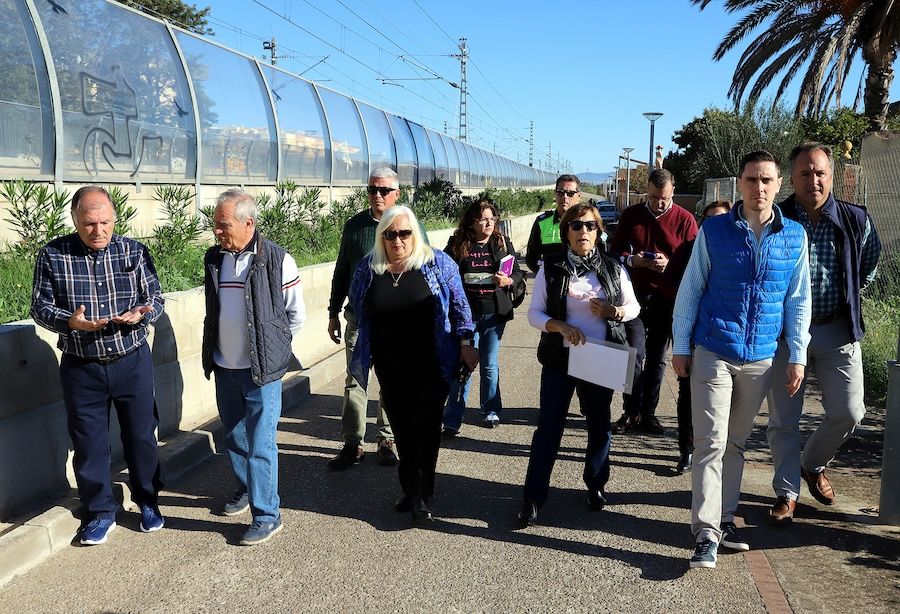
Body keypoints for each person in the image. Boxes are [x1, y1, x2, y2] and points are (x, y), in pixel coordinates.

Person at [672, 151, 811, 569]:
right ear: (739, 183)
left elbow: (797, 300)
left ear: (779, 184)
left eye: (767, 180)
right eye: (751, 180)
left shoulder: (795, 236)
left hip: (762, 358)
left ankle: (725, 518)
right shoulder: (714, 230)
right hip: (714, 348)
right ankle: (706, 533)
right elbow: (691, 289)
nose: (759, 188)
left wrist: (798, 355)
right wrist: (681, 345)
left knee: (735, 442)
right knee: (710, 442)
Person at [31, 185, 165, 545]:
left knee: (141, 436)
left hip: (131, 360)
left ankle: (148, 501)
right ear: (75, 219)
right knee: (89, 444)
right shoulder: (53, 255)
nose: (98, 230)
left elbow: (155, 296)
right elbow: (40, 307)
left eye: (105, 222)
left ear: (114, 217)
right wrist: (68, 322)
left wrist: (142, 313)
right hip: (81, 365)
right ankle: (100, 513)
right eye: (89, 223)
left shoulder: (134, 251)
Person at [766, 143, 882, 525]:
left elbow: (869, 265)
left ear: (831, 175)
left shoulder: (855, 219)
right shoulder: (775, 219)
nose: (813, 180)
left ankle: (812, 464)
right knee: (784, 419)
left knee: (850, 412)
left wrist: (848, 293)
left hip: (837, 329)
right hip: (785, 335)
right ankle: (786, 493)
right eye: (805, 173)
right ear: (792, 177)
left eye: (820, 173)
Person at [348, 206, 476, 523]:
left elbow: (460, 306)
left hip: (432, 362)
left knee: (427, 429)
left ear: (414, 234)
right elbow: (356, 304)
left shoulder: (436, 263)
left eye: (404, 233)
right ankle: (410, 488)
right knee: (403, 430)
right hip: (390, 365)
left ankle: (421, 493)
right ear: (382, 237)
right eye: (390, 234)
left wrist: (466, 343)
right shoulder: (369, 267)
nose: (397, 240)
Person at [518, 203, 640, 527]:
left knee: (599, 425)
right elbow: (534, 313)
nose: (583, 232)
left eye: (589, 226)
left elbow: (633, 307)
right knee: (549, 427)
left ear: (598, 231)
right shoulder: (552, 266)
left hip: (600, 356)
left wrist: (613, 312)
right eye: (576, 226)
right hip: (561, 358)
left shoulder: (613, 268)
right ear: (566, 232)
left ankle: (596, 485)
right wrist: (558, 326)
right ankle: (533, 496)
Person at [202, 188, 306, 546]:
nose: (217, 231)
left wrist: (270, 352)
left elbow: (296, 316)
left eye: (223, 225)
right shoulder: (215, 258)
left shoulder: (278, 260)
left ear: (248, 223)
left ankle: (268, 515)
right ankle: (246, 489)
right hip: (224, 366)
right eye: (216, 225)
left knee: (261, 443)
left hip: (261, 371)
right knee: (233, 435)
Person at [610, 168, 698, 435]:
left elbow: (696, 260)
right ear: (646, 192)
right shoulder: (632, 215)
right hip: (634, 296)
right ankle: (631, 411)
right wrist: (632, 260)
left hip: (667, 296)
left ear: (673, 192)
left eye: (665, 199)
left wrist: (670, 264)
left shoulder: (685, 219)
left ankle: (648, 413)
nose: (659, 204)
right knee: (633, 355)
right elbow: (614, 252)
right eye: (653, 198)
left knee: (657, 357)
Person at [326, 167, 403, 470]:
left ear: (397, 193)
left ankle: (387, 438)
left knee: (391, 380)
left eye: (384, 190)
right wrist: (333, 311)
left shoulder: (407, 226)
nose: (378, 196)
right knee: (355, 381)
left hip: (395, 321)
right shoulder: (355, 227)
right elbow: (341, 270)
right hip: (359, 319)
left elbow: (425, 269)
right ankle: (352, 443)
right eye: (372, 189)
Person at [662, 200, 732, 474]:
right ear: (701, 224)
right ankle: (687, 451)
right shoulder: (688, 250)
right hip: (692, 332)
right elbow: (669, 287)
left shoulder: (739, 250)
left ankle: (719, 453)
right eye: (709, 220)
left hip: (726, 337)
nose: (715, 226)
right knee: (688, 392)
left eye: (722, 220)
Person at [442, 197, 524, 433]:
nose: (488, 224)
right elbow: (446, 275)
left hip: (494, 314)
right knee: (463, 366)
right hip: (466, 317)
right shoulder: (458, 244)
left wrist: (508, 280)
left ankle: (490, 411)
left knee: (489, 365)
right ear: (472, 222)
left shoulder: (501, 243)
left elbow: (518, 274)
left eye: (492, 219)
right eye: (483, 219)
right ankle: (452, 419)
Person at [525, 174, 582, 274]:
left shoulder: (586, 223)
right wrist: (544, 275)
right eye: (561, 193)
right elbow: (531, 258)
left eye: (570, 193)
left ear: (579, 196)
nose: (565, 197)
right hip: (551, 284)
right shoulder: (542, 222)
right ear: (555, 194)